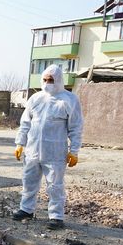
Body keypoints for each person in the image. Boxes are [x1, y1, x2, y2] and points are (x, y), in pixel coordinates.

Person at [12, 64, 83, 230]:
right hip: (32, 150)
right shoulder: (35, 99)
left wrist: (74, 151)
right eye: (44, 79)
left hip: (55, 153)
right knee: (29, 182)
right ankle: (26, 210)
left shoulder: (69, 100)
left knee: (55, 186)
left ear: (58, 80)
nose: (47, 83)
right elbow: (25, 123)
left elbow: (76, 127)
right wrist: (19, 143)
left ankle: (56, 216)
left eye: (50, 80)